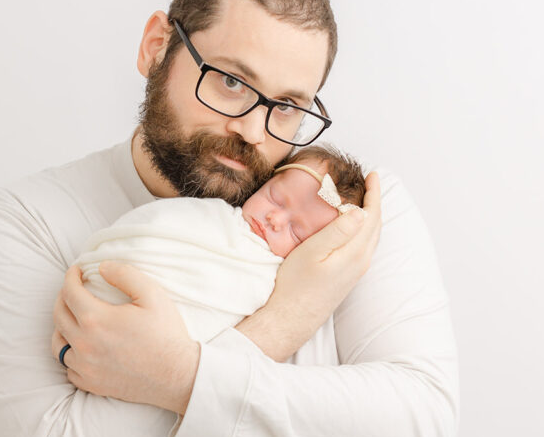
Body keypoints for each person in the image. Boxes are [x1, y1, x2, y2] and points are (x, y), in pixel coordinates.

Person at [0, 0, 458, 437]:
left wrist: (179, 376)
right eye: (230, 81)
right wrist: (281, 323)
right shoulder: (22, 224)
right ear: (156, 47)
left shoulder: (347, 213)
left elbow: (419, 431)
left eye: (288, 106)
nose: (253, 130)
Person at [69, 146, 365, 359]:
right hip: (107, 284)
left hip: (156, 342)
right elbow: (159, 226)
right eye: (275, 198)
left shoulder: (273, 279)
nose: (275, 219)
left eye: (296, 231)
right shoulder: (214, 213)